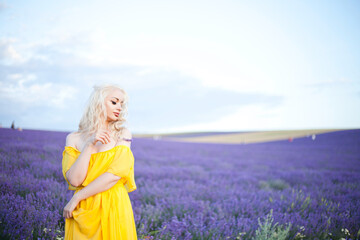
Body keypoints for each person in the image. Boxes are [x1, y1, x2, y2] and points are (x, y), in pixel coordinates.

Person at [61, 83, 137, 239]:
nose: (119, 107)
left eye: (122, 104)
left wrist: (76, 197)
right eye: (114, 102)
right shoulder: (73, 138)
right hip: (84, 210)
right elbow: (75, 180)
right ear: (98, 103)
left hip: (113, 205)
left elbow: (114, 176)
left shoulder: (122, 133)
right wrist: (89, 145)